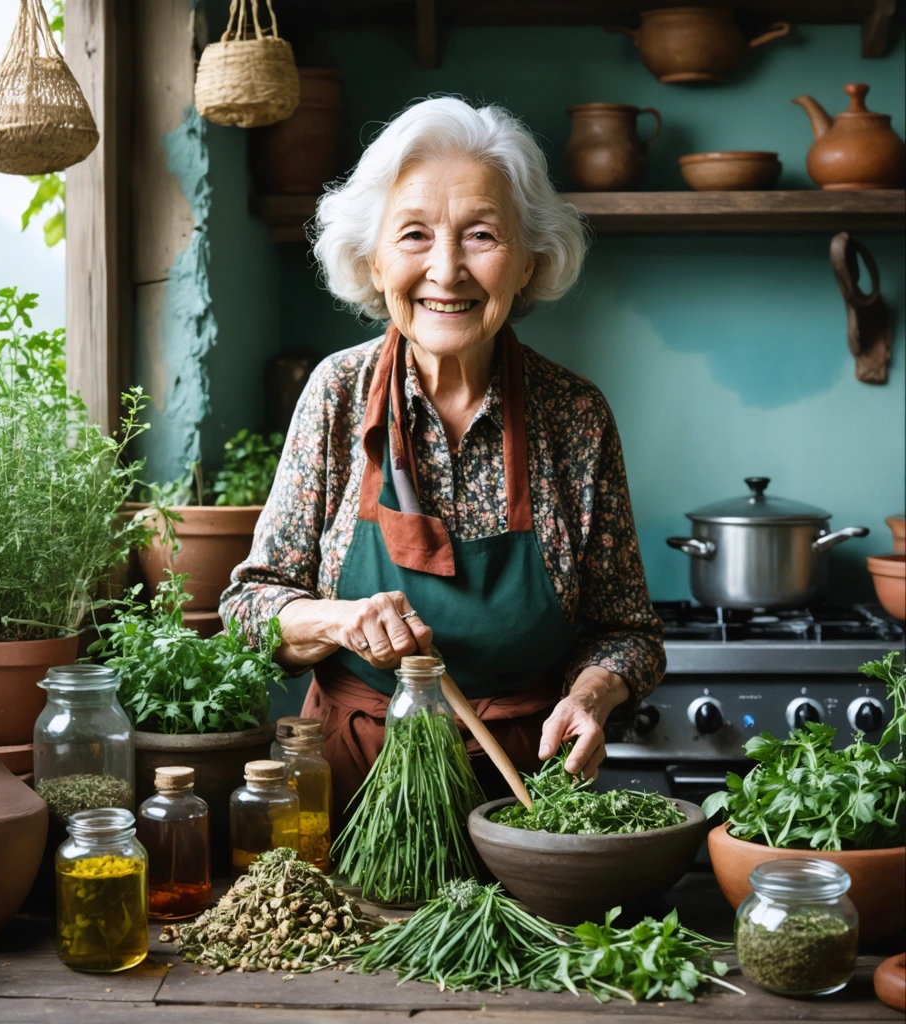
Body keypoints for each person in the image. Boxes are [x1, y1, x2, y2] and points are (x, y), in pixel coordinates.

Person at [221, 96, 665, 817]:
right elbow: (248, 604)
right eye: (416, 235)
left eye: (482, 235)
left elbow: (628, 632)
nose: (447, 269)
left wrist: (590, 697)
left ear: (527, 262)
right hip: (350, 794)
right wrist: (338, 620)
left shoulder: (575, 416)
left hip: (526, 800)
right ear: (373, 259)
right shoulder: (337, 393)